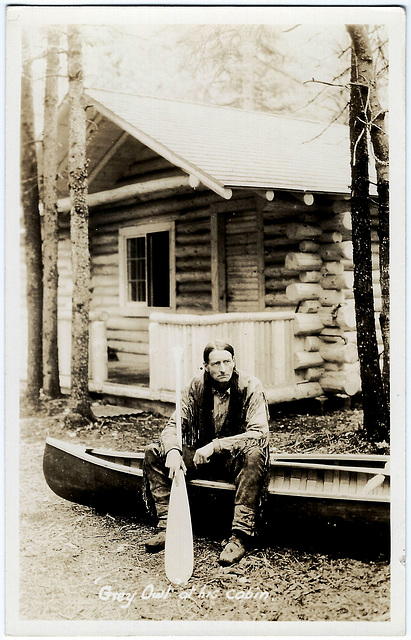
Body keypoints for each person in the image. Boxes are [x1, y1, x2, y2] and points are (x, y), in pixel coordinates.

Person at [143, 339, 270, 566]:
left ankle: (239, 537)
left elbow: (259, 433)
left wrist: (217, 445)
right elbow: (173, 426)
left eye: (227, 362)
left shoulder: (251, 386)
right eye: (216, 363)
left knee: (255, 455)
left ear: (234, 362)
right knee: (153, 452)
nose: (222, 368)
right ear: (206, 366)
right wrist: (173, 451)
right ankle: (166, 525)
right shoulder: (196, 386)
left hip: (236, 457)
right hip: (203, 456)